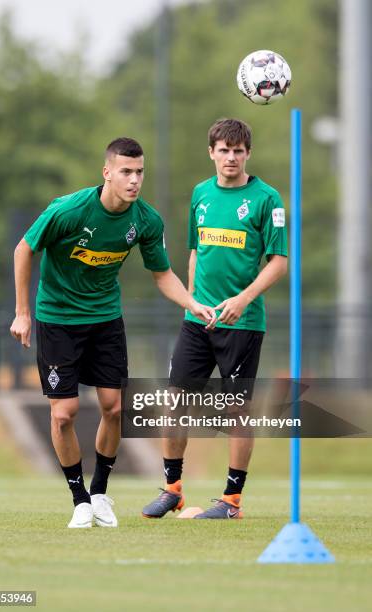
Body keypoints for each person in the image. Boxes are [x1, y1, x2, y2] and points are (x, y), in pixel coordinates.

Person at [10, 137, 215, 529]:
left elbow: (162, 274)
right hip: (58, 318)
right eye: (126, 172)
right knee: (65, 414)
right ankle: (79, 500)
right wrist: (22, 313)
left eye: (139, 172)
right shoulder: (69, 210)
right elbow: (24, 249)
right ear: (107, 173)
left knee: (116, 408)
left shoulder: (146, 221)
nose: (134, 180)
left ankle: (100, 492)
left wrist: (192, 303)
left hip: (105, 318)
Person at [142, 118, 288, 519]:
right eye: (223, 150)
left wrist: (243, 298)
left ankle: (232, 501)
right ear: (211, 152)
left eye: (238, 151)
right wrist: (191, 303)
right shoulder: (200, 194)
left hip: (242, 323)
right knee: (174, 402)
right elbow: (195, 253)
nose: (231, 157)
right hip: (198, 322)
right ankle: (172, 489)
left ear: (248, 154)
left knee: (235, 412)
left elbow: (278, 263)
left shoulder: (267, 199)